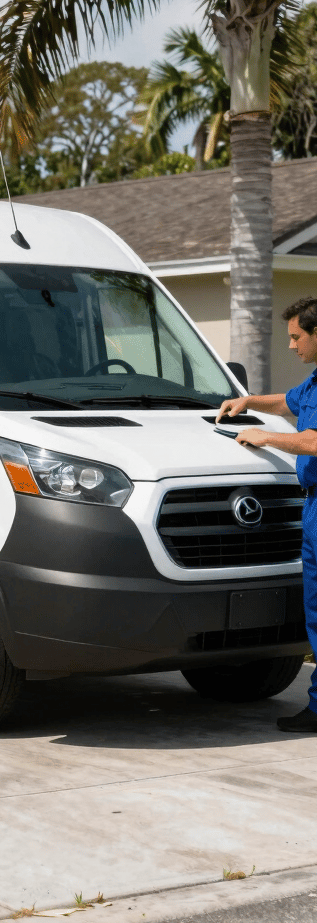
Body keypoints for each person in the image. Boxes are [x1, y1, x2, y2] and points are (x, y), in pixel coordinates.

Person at [217, 296, 317, 732]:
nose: (292, 346)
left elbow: (314, 441)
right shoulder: (314, 383)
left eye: (297, 337)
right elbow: (291, 405)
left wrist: (264, 438)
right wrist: (250, 401)